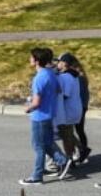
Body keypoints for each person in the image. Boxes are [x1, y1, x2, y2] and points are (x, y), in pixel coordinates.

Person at [20, 48, 71, 186]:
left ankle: (37, 177)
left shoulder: (39, 78)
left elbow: (36, 103)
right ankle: (63, 161)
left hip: (39, 117)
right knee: (47, 143)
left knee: (38, 146)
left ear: (37, 61)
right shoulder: (50, 74)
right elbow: (58, 90)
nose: (29, 60)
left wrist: (28, 107)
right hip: (49, 114)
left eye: (31, 58)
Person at [53, 53, 83, 172]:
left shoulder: (66, 77)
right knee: (68, 133)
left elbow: (65, 95)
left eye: (59, 61)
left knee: (66, 136)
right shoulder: (72, 75)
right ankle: (81, 149)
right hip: (74, 109)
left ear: (65, 63)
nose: (57, 63)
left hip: (68, 111)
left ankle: (69, 160)